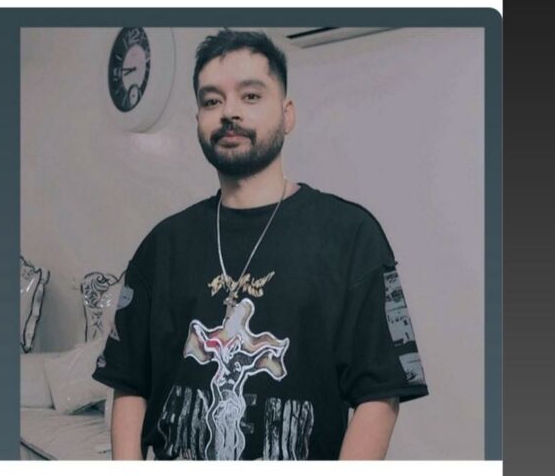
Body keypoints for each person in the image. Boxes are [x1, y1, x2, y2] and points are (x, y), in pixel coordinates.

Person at [92, 28, 429, 461]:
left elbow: (379, 395)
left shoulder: (350, 237)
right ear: (198, 120)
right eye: (211, 101)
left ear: (287, 115)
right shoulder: (162, 246)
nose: (229, 112)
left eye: (250, 96)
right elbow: (130, 383)